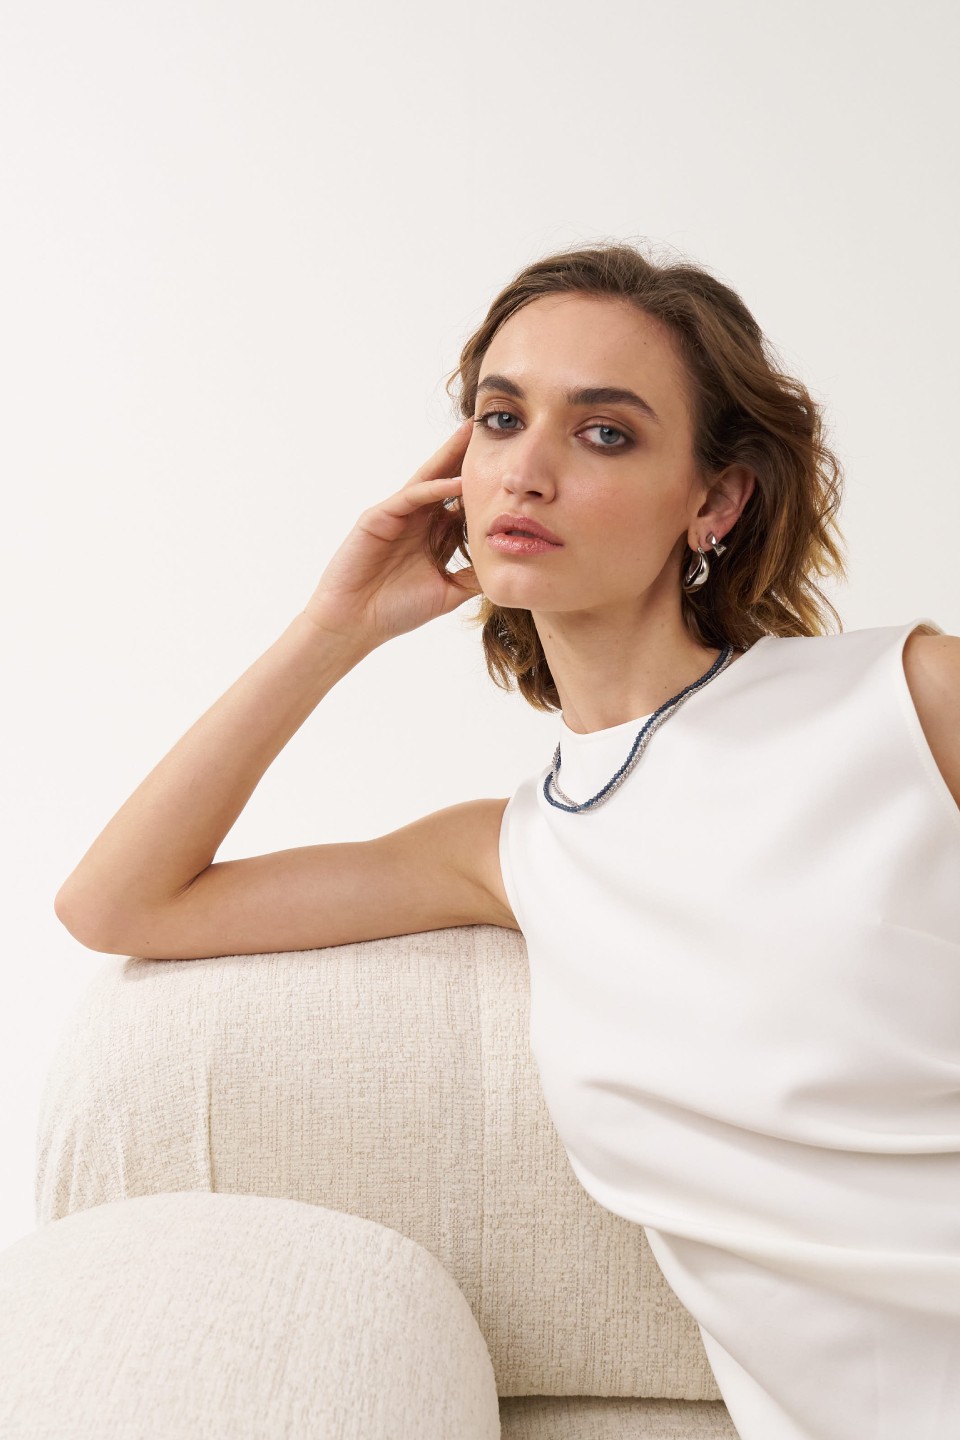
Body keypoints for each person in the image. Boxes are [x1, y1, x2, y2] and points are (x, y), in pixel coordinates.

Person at [55, 242, 960, 1438]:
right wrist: (335, 624)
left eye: (604, 434)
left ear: (716, 501)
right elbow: (118, 903)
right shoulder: (514, 852)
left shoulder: (906, 702)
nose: (525, 472)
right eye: (499, 418)